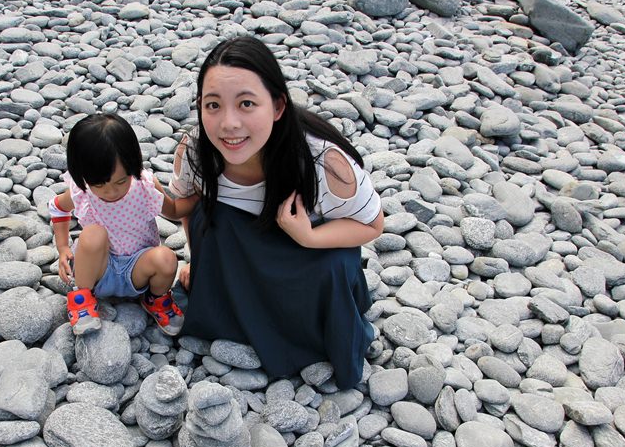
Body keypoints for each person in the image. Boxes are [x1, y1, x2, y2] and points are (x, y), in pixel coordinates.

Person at [169, 35, 384, 389]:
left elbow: (373, 224)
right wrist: (199, 263)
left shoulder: (323, 163)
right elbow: (189, 211)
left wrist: (309, 236)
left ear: (278, 106)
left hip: (303, 257)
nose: (229, 124)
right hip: (239, 254)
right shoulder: (195, 150)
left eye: (247, 104)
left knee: (332, 266)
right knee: (213, 218)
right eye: (213, 105)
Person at [50, 113, 194, 336]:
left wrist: (201, 196)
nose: (111, 192)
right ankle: (82, 298)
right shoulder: (83, 190)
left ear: (133, 165)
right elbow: (57, 208)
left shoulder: (144, 186)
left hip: (137, 269)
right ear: (82, 175)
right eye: (100, 184)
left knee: (166, 257)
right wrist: (63, 249)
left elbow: (174, 211)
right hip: (97, 270)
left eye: (120, 181)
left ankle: (155, 298)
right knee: (93, 234)